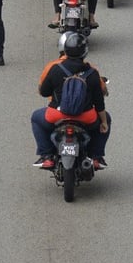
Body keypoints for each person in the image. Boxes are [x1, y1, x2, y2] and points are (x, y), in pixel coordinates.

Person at [30, 32, 110, 170]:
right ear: (85, 52)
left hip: (56, 115)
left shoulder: (55, 69)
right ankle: (96, 157)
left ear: (65, 50)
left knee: (36, 118)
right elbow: (99, 102)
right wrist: (103, 122)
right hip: (86, 118)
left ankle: (47, 156)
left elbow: (44, 92)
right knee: (107, 119)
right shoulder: (92, 73)